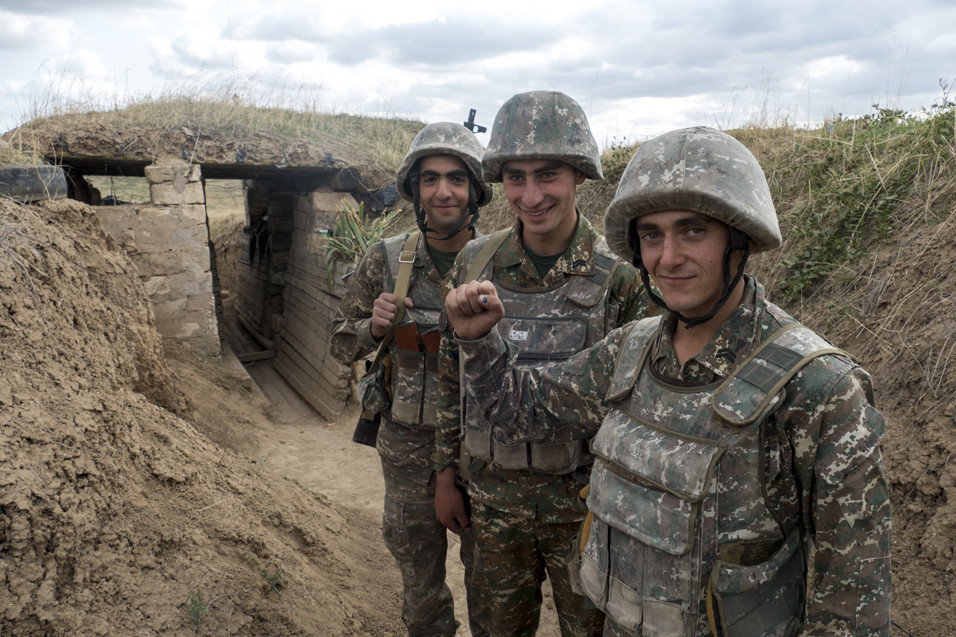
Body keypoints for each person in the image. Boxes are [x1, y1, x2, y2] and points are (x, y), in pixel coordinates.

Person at [442, 126, 892, 636]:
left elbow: (851, 604)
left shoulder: (818, 390)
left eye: (693, 231)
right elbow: (520, 408)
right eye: (652, 235)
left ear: (739, 239)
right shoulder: (630, 350)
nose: (668, 257)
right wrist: (479, 343)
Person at [433, 91, 652, 637]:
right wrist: (444, 476)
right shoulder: (475, 261)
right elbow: (448, 375)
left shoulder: (618, 278)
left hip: (584, 510)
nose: (530, 196)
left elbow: (638, 408)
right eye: (515, 177)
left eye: (547, 175)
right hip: (491, 502)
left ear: (578, 174)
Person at [330, 121, 493, 637]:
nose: (443, 191)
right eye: (429, 179)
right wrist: (371, 327)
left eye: (456, 178)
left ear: (475, 191)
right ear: (415, 190)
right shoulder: (386, 258)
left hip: (484, 451)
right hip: (406, 453)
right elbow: (338, 341)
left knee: (493, 588)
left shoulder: (503, 263)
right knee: (420, 592)